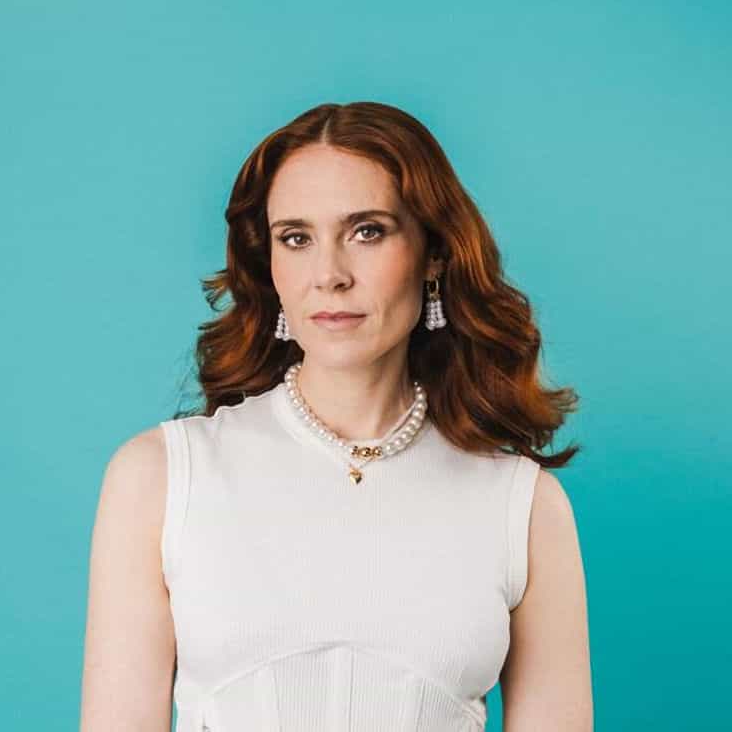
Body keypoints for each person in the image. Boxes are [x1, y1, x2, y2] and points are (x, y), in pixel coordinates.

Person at [80, 101, 593, 731]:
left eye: (367, 231)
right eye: (296, 238)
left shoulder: (525, 505)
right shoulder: (159, 477)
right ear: (269, 262)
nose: (329, 275)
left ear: (434, 252)